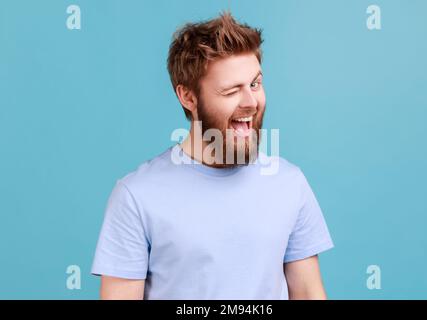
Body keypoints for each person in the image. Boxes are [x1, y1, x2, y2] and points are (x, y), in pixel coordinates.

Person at [91, 11, 334, 300]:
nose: (251, 102)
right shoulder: (135, 196)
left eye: (255, 84)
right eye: (232, 90)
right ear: (188, 98)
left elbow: (308, 294)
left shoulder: (290, 184)